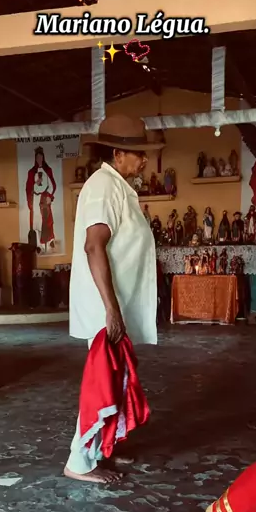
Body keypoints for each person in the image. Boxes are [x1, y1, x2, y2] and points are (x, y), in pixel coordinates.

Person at [65, 114, 164, 484]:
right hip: (103, 305)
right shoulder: (103, 187)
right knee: (102, 383)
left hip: (114, 302)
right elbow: (94, 246)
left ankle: (100, 448)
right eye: (139, 153)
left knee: (114, 378)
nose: (144, 160)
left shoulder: (118, 187)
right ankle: (79, 462)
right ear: (118, 154)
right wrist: (111, 308)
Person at [25, 147, 57, 249]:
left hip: (44, 198)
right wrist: (30, 200)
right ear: (35, 158)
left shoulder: (48, 170)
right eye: (37, 157)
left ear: (43, 158)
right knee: (37, 221)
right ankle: (39, 245)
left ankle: (49, 241)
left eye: (41, 157)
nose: (39, 159)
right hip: (35, 199)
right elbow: (28, 187)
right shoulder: (31, 172)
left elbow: (53, 184)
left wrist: (50, 196)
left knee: (47, 220)